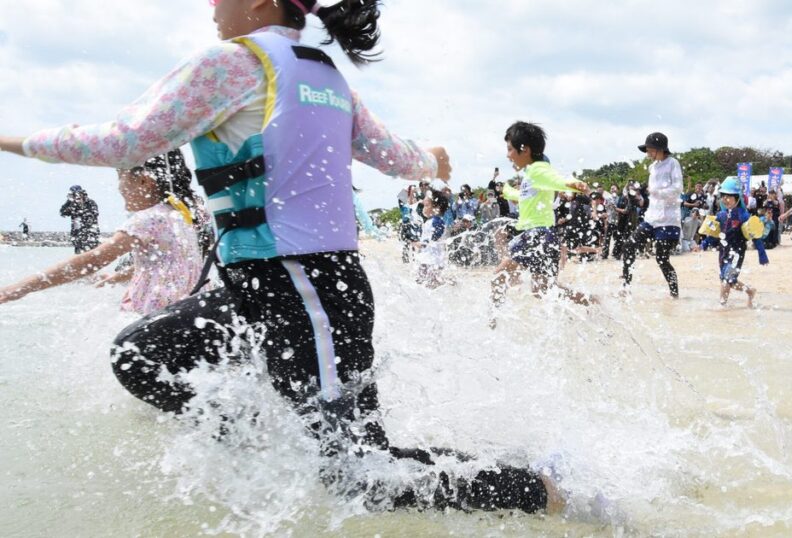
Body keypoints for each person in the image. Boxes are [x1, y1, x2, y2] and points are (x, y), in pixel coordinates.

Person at [0, 0, 559, 515]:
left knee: (360, 472)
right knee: (142, 354)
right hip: (265, 287)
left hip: (303, 284)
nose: (212, 4)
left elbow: (124, 141)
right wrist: (428, 160)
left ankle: (537, 487)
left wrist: (13, 141)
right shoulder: (322, 73)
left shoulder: (231, 65)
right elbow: (390, 155)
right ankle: (269, 440)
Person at [0, 151, 203, 315]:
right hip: (182, 314)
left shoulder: (147, 219)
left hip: (150, 319)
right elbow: (165, 264)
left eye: (120, 177)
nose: (119, 187)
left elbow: (91, 261)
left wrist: (18, 288)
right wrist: (116, 277)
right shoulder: (180, 215)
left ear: (143, 181)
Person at [491, 121, 594, 323]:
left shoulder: (538, 169)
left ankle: (492, 323)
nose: (507, 154)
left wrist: (572, 184)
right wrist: (504, 190)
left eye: (510, 149)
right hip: (543, 236)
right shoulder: (531, 174)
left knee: (498, 277)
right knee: (542, 290)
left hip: (536, 235)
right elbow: (521, 196)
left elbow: (556, 179)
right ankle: (591, 302)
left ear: (525, 149)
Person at [621, 132, 683, 298]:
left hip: (668, 219)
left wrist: (656, 192)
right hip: (651, 218)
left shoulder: (673, 163)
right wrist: (640, 197)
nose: (648, 154)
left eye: (650, 150)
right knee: (629, 246)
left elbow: (678, 189)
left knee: (662, 259)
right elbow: (651, 196)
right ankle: (626, 287)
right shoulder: (652, 167)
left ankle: (674, 294)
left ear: (659, 149)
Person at [700, 178, 769, 307]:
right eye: (723, 196)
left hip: (737, 252)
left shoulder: (743, 215)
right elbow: (714, 233)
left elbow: (755, 234)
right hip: (723, 252)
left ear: (737, 197)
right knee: (728, 280)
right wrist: (703, 244)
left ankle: (722, 306)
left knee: (727, 278)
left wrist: (762, 253)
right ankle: (750, 291)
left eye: (729, 196)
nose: (725, 199)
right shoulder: (721, 215)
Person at [413, 190, 451, 288]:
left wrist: (423, 243)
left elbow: (436, 235)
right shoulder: (429, 221)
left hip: (433, 259)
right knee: (422, 280)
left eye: (426, 205)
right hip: (427, 257)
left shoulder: (437, 221)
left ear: (436, 208)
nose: (423, 208)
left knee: (431, 282)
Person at [60, 185, 101, 253]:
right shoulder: (71, 203)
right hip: (77, 234)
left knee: (91, 253)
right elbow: (63, 212)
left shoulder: (90, 202)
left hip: (90, 233)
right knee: (79, 254)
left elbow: (94, 214)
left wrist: (81, 208)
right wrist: (71, 203)